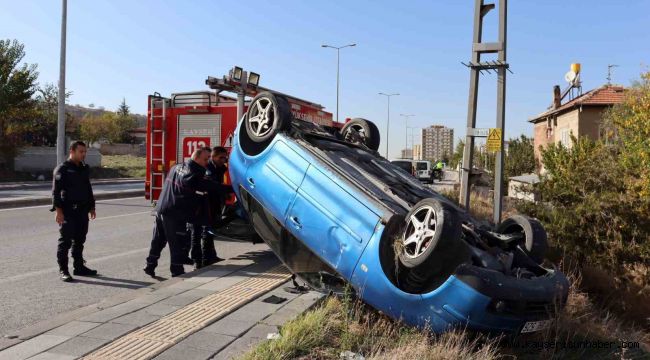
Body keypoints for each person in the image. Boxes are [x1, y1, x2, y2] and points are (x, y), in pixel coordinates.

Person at [143, 148, 211, 277]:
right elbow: (203, 186)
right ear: (196, 158)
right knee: (177, 242)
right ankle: (177, 271)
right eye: (205, 159)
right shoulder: (192, 173)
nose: (207, 162)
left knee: (158, 239)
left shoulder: (176, 167)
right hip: (174, 213)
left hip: (162, 208)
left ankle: (150, 265)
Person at [51, 141, 98, 282]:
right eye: (81, 151)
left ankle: (79, 267)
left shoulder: (84, 168)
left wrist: (92, 206)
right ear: (72, 151)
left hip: (82, 210)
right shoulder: (62, 169)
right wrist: (58, 211)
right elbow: (56, 192)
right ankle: (63, 270)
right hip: (68, 210)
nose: (83, 154)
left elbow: (88, 188)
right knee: (65, 241)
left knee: (79, 240)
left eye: (85, 152)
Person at [189, 147, 233, 269]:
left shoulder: (219, 168)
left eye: (225, 158)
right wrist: (227, 190)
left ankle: (210, 256)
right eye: (221, 157)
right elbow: (212, 186)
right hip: (204, 204)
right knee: (202, 232)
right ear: (213, 157)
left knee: (210, 231)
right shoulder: (208, 170)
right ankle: (201, 260)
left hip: (213, 204)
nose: (224, 160)